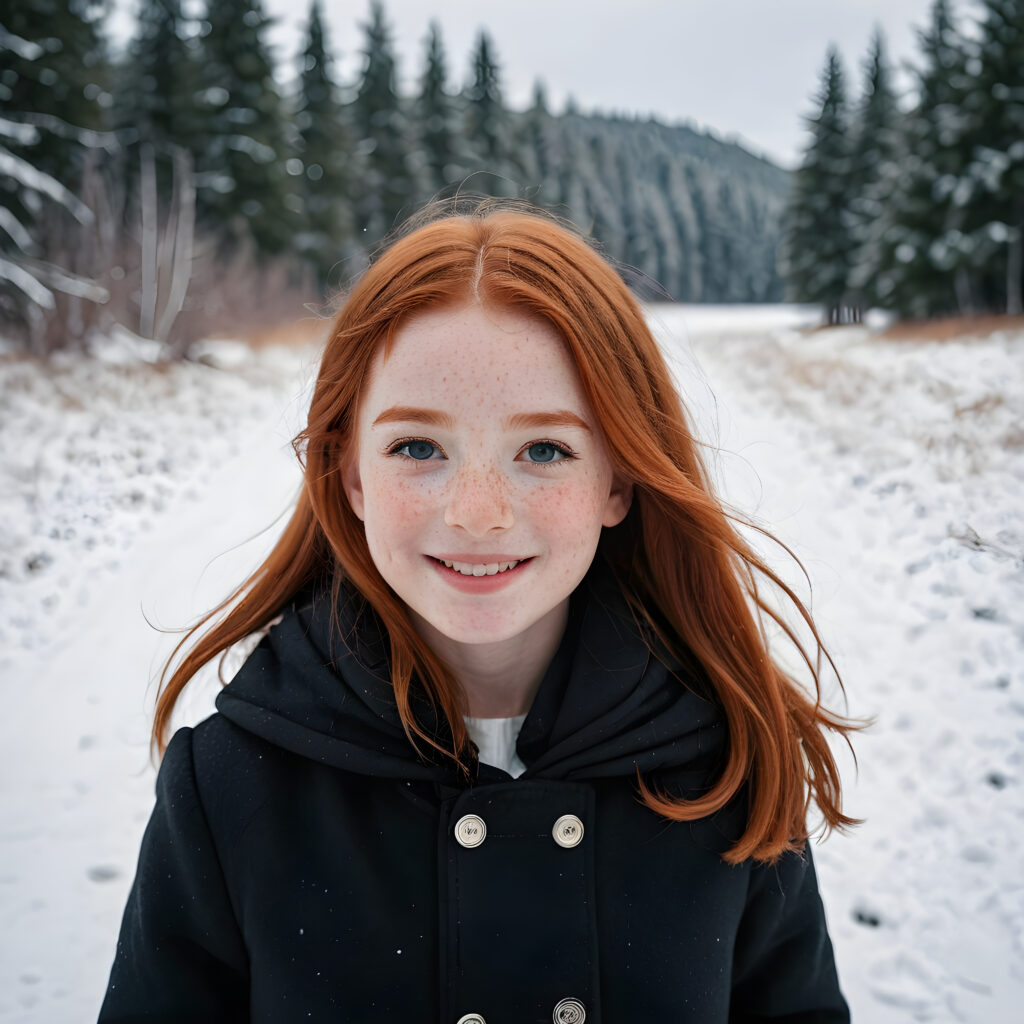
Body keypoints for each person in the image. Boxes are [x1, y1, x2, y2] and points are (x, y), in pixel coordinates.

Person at [99, 199, 857, 1023]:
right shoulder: (228, 788)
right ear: (351, 477)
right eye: (418, 447)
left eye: (544, 450)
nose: (477, 512)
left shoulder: (730, 766)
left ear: (618, 480)